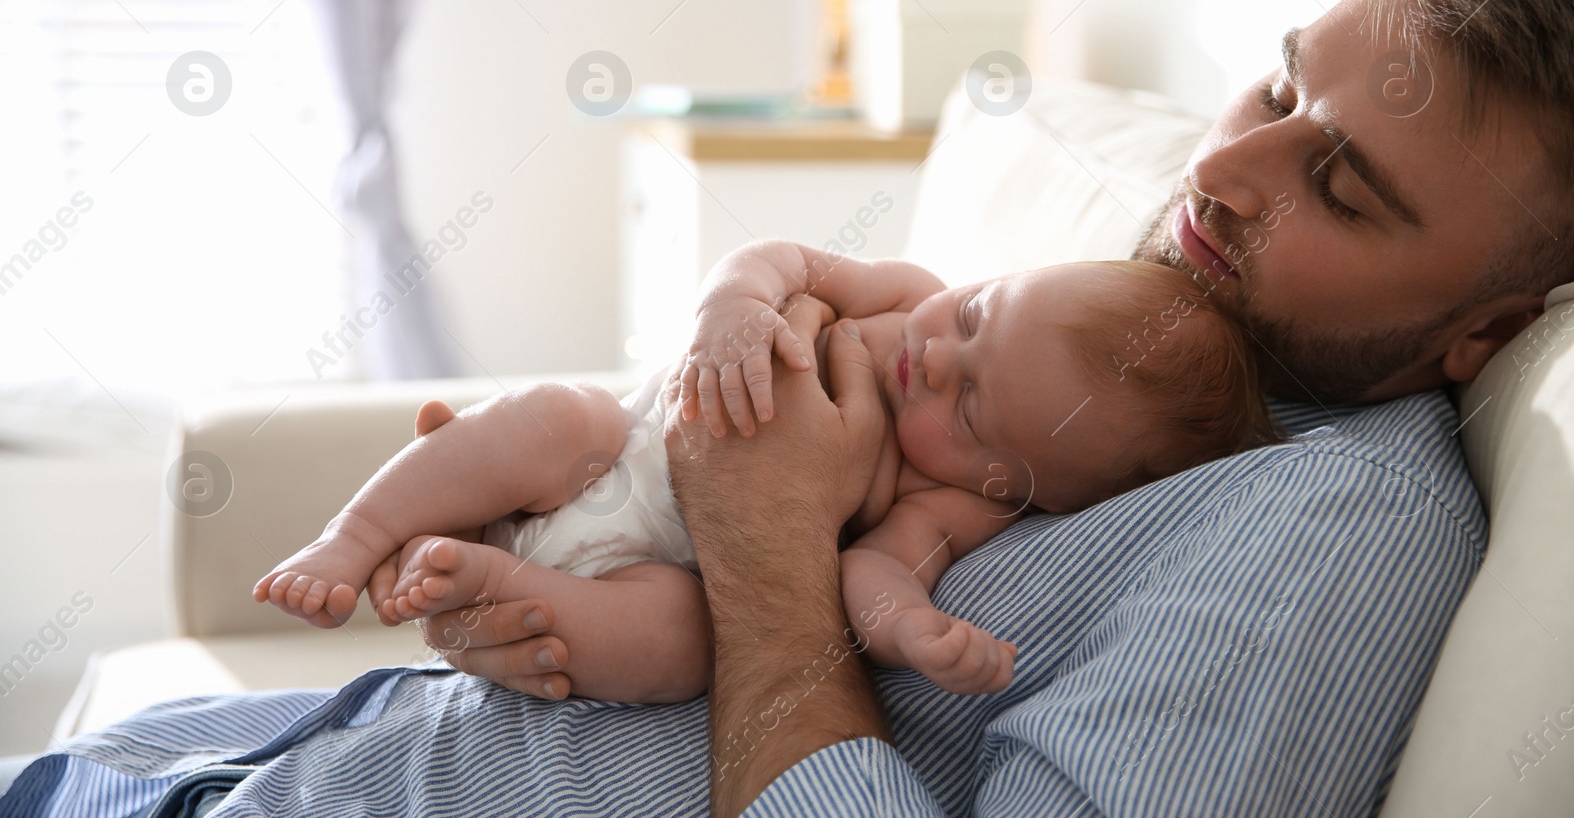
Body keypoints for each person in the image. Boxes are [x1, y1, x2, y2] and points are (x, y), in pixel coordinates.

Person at [4, 0, 1574, 818]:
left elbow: (779, 525)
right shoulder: (1115, 312)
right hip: (265, 757)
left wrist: (762, 546)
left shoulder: (1335, 524)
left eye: (1346, 188)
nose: (1231, 174)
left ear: (1477, 332)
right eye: (1276, 89)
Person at [254, 255, 1273, 701]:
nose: (937, 355)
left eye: (967, 408)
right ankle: (353, 534)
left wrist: (911, 630)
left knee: (686, 638)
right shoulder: (906, 293)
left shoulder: (948, 503)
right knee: (560, 415)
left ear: (1013, 484)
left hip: (661, 566)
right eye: (974, 317)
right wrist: (732, 304)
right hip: (611, 451)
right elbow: (777, 257)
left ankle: (502, 588)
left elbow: (879, 574)